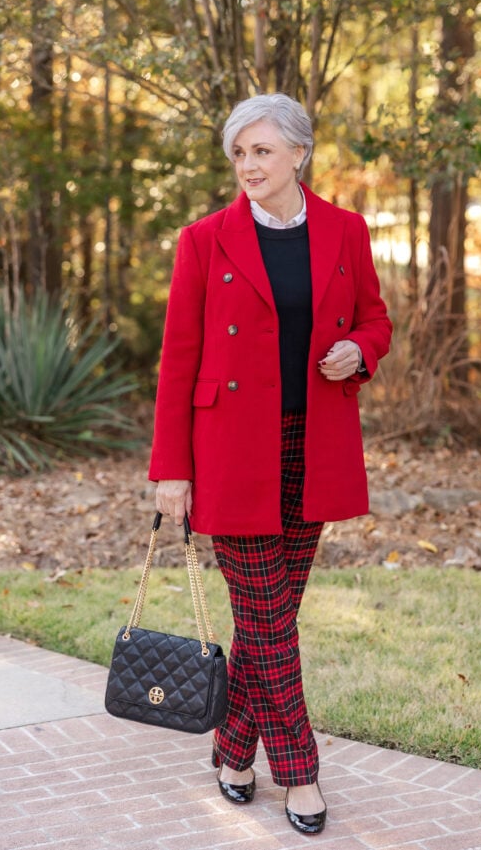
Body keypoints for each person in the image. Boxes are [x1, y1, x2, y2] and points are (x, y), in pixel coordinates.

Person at [149, 93, 392, 836]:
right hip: (230, 452)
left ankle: (232, 751)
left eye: (261, 150)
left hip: (312, 445)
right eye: (239, 153)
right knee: (268, 615)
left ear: (298, 153)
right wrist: (171, 470)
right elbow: (178, 358)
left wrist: (359, 350)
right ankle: (300, 772)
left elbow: (375, 318)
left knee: (269, 616)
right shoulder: (205, 240)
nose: (248, 165)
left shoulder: (345, 231)